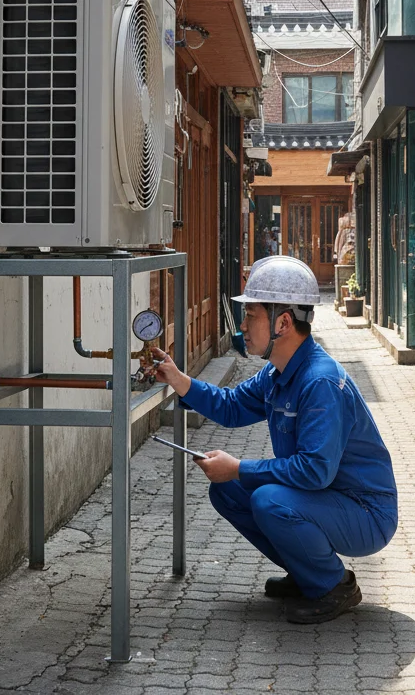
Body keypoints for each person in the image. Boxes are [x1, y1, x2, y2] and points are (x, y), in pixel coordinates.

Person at [154, 256, 398, 624]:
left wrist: (238, 467)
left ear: (283, 322)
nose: (243, 324)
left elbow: (314, 471)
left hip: (365, 512)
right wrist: (178, 380)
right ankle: (307, 574)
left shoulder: (319, 382)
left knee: (269, 499)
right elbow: (233, 406)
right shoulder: (278, 372)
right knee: (228, 491)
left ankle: (334, 586)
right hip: (331, 499)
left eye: (251, 315)